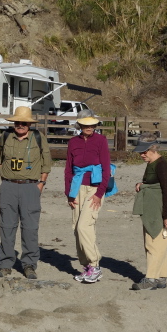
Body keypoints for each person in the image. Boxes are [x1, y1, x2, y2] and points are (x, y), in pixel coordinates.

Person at [0, 106, 52, 279]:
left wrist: (41, 184)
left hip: (31, 187)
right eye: (18, 122)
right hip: (8, 187)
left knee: (30, 228)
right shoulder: (5, 136)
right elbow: (0, 160)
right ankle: (5, 264)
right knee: (7, 227)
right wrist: (6, 180)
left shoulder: (38, 138)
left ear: (29, 124)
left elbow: (46, 163)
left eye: (24, 123)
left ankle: (29, 264)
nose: (20, 125)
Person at [64, 109, 112, 283]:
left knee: (85, 226)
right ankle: (88, 266)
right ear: (80, 124)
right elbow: (68, 169)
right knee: (77, 228)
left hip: (95, 188)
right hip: (77, 188)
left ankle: (95, 265)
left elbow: (106, 168)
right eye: (86, 124)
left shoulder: (101, 141)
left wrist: (100, 193)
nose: (89, 127)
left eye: (92, 124)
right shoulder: (73, 142)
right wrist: (68, 193)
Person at [131, 134, 167, 290]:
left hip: (161, 210)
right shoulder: (153, 163)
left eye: (144, 152)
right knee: (158, 244)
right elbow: (153, 182)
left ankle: (151, 278)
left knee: (154, 244)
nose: (141, 155)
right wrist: (142, 184)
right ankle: (160, 277)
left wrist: (166, 217)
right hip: (153, 209)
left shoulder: (163, 165)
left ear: (152, 149)